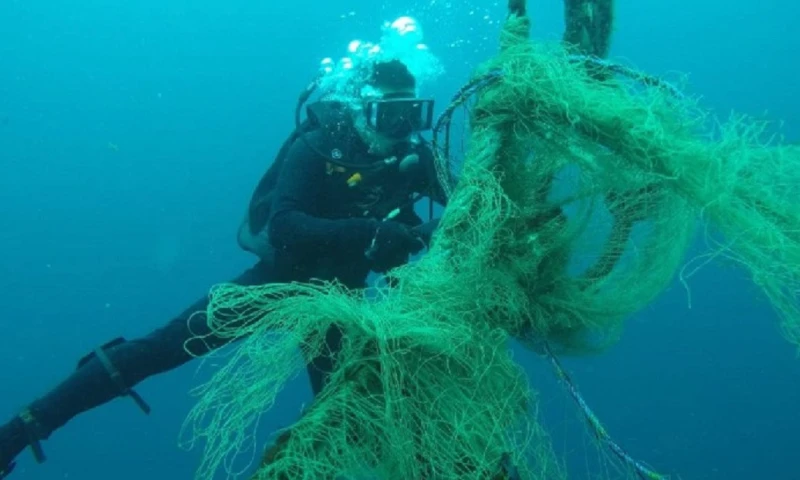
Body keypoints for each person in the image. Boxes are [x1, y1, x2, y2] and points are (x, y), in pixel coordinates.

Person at [0, 58, 451, 478]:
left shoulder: (415, 159)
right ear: (359, 110)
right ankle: (21, 430)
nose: (401, 128)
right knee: (162, 348)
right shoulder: (318, 145)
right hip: (278, 282)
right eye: (388, 114)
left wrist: (414, 236)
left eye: (412, 113)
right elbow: (285, 224)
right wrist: (370, 230)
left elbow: (468, 208)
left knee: (366, 404)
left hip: (340, 304)